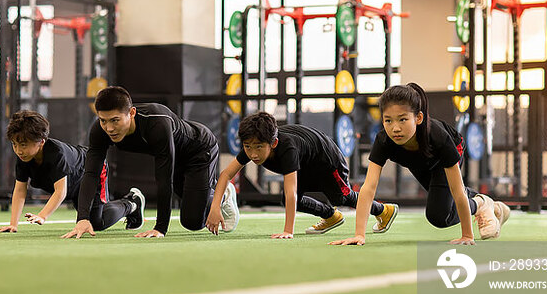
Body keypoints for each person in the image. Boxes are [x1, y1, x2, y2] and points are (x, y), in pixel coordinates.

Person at [330, 83, 510, 246]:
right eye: (388, 120)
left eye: (402, 119)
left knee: (439, 216)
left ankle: (481, 203)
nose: (395, 128)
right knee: (442, 201)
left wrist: (467, 235)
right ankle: (489, 205)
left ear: (418, 118)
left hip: (443, 155)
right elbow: (368, 188)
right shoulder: (383, 140)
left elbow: (457, 190)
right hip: (419, 161)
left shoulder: (439, 138)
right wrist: (359, 235)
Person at [62, 86, 239, 240]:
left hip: (199, 150)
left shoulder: (156, 123)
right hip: (174, 156)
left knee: (193, 222)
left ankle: (223, 194)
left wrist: (160, 228)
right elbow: (91, 173)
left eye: (115, 120)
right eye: (103, 120)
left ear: (131, 113)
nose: (109, 128)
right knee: (191, 211)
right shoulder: (100, 131)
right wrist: (82, 219)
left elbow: (164, 178)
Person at [206, 112, 397, 239]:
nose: (253, 154)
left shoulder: (286, 148)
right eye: (248, 147)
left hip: (327, 160)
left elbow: (291, 192)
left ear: (272, 143)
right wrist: (215, 207)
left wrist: (288, 231)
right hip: (307, 163)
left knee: (342, 196)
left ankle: (383, 210)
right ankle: (331, 216)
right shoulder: (253, 146)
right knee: (288, 200)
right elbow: (225, 175)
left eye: (258, 147)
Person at [0, 110, 144, 235]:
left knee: (97, 223)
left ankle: (132, 202)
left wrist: (42, 216)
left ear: (41, 141)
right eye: (14, 144)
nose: (19, 150)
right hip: (74, 182)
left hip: (93, 169)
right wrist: (13, 225)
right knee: (88, 220)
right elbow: (20, 190)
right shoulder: (23, 158)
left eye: (23, 144)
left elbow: (60, 191)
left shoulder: (56, 154)